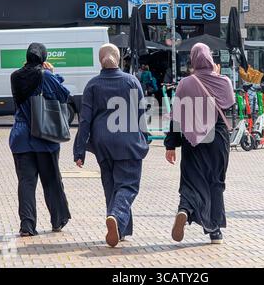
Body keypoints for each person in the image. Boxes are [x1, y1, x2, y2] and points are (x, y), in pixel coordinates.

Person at [73, 43, 149, 248]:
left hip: (102, 143)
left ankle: (120, 229)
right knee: (128, 185)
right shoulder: (132, 82)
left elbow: (85, 120)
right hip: (128, 142)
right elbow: (142, 115)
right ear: (119, 58)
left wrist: (79, 150)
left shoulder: (92, 85)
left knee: (111, 186)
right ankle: (115, 216)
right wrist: (146, 138)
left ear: (100, 60)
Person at [164, 43, 235, 244]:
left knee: (190, 180)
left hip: (192, 141)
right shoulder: (224, 82)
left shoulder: (185, 83)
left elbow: (176, 118)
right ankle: (215, 231)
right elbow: (229, 107)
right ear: (210, 59)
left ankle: (184, 210)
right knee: (215, 183)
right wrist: (217, 75)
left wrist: (171, 145)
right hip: (218, 139)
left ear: (193, 60)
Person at [10, 43, 71, 237]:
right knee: (51, 180)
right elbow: (63, 95)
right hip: (45, 136)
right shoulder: (45, 76)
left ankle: (27, 226)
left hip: (20, 137)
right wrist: (53, 73)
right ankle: (58, 220)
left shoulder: (15, 76)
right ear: (43, 58)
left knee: (26, 183)